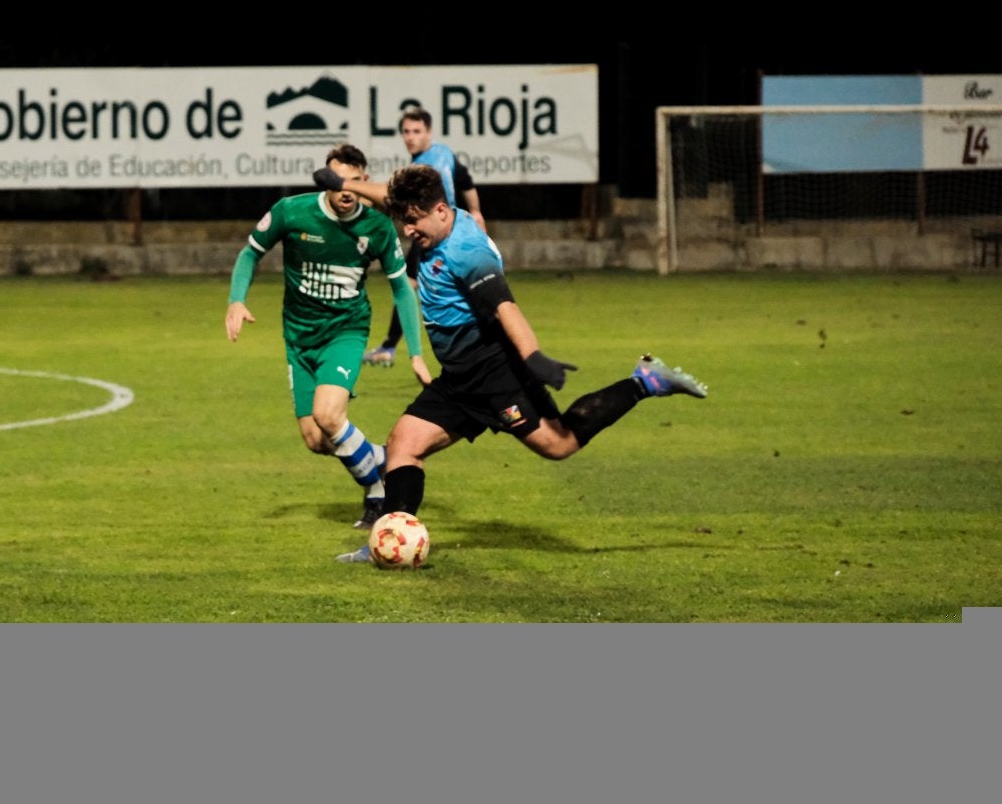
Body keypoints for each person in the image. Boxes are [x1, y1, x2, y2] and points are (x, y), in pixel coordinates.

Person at [334, 164, 708, 563]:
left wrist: (534, 358)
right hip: (459, 376)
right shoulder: (431, 220)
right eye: (403, 220)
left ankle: (644, 381)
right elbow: (387, 197)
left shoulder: (468, 252)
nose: (407, 231)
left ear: (441, 210)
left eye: (412, 221)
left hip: (497, 372)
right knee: (402, 446)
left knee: (558, 443)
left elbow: (505, 306)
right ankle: (389, 543)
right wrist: (345, 184)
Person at [227, 143, 431, 530]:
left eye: (353, 181)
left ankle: (377, 493)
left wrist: (415, 352)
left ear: (365, 182)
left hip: (346, 331)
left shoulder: (376, 227)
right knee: (316, 439)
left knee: (328, 414)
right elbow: (250, 253)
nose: (345, 190)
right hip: (299, 337)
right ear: (326, 181)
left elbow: (402, 289)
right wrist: (236, 300)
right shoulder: (293, 212)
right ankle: (384, 458)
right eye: (337, 181)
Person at [313, 105, 486, 368]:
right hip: (446, 231)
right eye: (406, 131)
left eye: (416, 131)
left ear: (429, 132)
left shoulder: (426, 164)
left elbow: (393, 198)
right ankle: (400, 346)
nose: (410, 137)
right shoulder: (445, 154)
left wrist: (347, 191)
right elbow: (466, 181)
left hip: (437, 235)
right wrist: (475, 212)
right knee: (423, 286)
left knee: (415, 287)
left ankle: (397, 347)